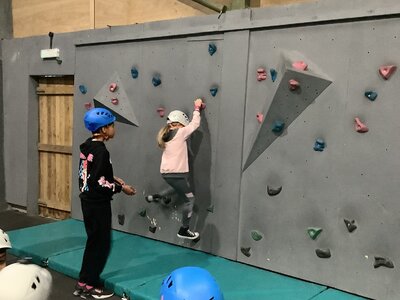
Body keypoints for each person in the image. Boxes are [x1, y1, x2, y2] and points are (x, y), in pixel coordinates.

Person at [74, 107, 136, 299]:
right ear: (103, 129)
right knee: (101, 244)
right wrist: (121, 188)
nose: (114, 129)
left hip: (87, 201)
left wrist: (113, 178)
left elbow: (91, 174)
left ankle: (84, 280)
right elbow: (100, 183)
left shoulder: (88, 146)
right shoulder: (101, 151)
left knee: (94, 242)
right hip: (98, 203)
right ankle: (90, 285)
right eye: (112, 125)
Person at [148, 98, 203, 240]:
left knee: (178, 189)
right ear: (180, 122)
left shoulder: (166, 135)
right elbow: (194, 124)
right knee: (189, 199)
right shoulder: (180, 132)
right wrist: (197, 108)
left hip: (167, 174)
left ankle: (157, 196)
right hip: (178, 173)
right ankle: (184, 229)